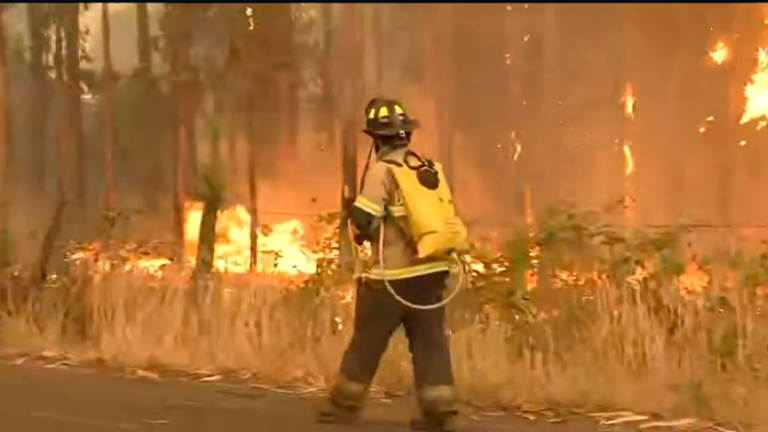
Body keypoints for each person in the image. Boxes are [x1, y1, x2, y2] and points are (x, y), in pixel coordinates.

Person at [316, 97, 464, 432]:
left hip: (392, 278)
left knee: (367, 340)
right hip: (433, 272)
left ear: (377, 138)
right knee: (431, 343)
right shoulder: (428, 168)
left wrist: (354, 216)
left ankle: (342, 408)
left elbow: (365, 219)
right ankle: (440, 413)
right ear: (406, 134)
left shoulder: (382, 170)